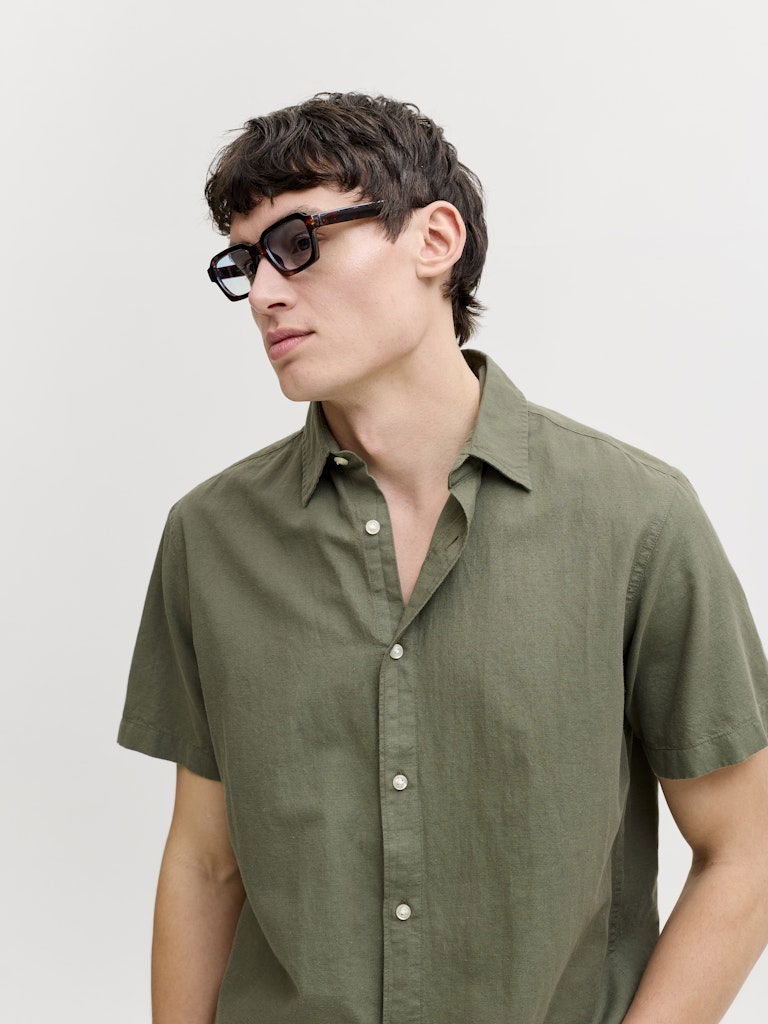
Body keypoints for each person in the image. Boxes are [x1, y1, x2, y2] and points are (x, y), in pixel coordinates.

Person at [117, 91, 768, 1024]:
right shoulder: (211, 536)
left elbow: (747, 848)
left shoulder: (637, 521)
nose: (263, 293)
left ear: (435, 240)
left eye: (298, 242)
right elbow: (205, 861)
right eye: (245, 261)